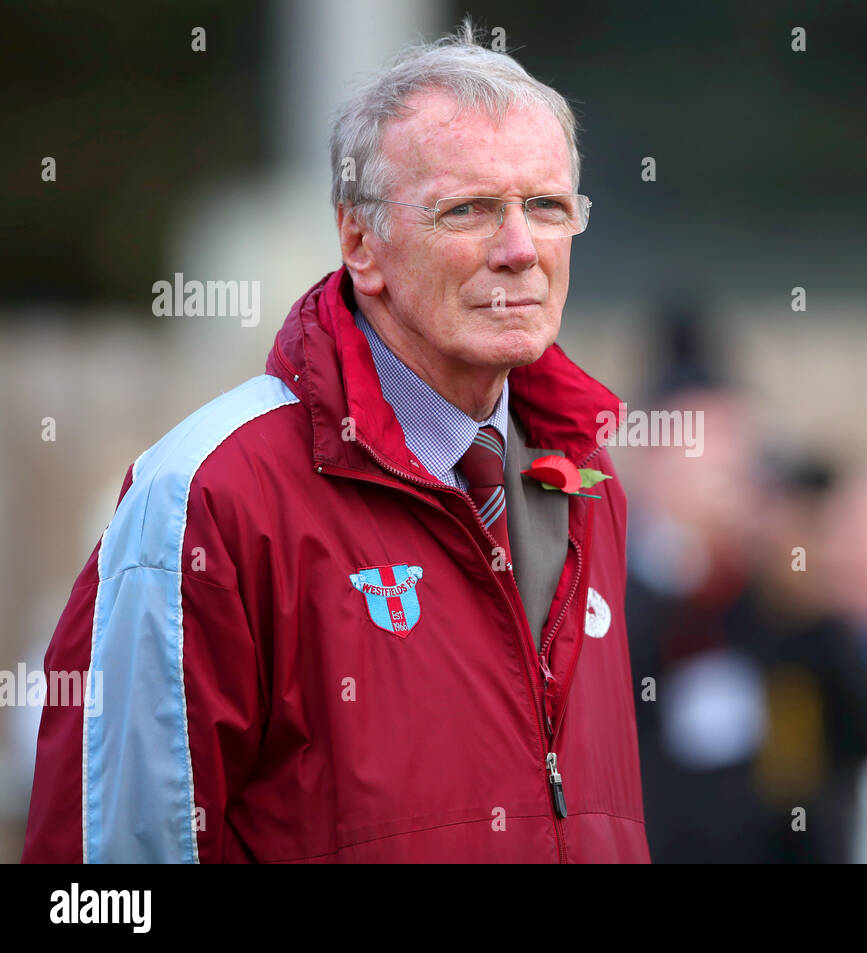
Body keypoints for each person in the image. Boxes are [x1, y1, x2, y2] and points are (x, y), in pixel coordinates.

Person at [22, 19, 650, 863]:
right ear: (361, 242)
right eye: (468, 209)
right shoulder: (204, 498)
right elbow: (111, 877)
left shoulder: (584, 477)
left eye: (546, 206)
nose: (518, 249)